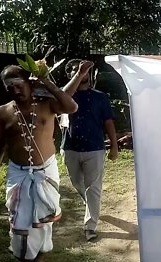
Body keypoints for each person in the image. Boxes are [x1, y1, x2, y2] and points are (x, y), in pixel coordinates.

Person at [0, 65, 79, 262]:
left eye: (18, 85)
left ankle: (38, 258)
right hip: (18, 174)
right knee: (19, 218)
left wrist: (46, 81)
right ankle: (26, 259)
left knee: (42, 218)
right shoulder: (2, 112)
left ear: (29, 83)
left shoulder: (48, 104)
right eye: (9, 87)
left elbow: (71, 107)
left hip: (45, 171)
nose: (15, 91)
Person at [62, 59, 118, 241]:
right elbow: (61, 99)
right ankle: (92, 206)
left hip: (94, 148)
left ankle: (90, 226)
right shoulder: (65, 96)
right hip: (70, 148)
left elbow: (108, 122)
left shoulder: (99, 97)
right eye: (75, 70)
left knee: (93, 188)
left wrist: (114, 146)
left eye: (84, 70)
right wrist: (78, 75)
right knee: (77, 183)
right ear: (70, 74)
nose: (81, 73)